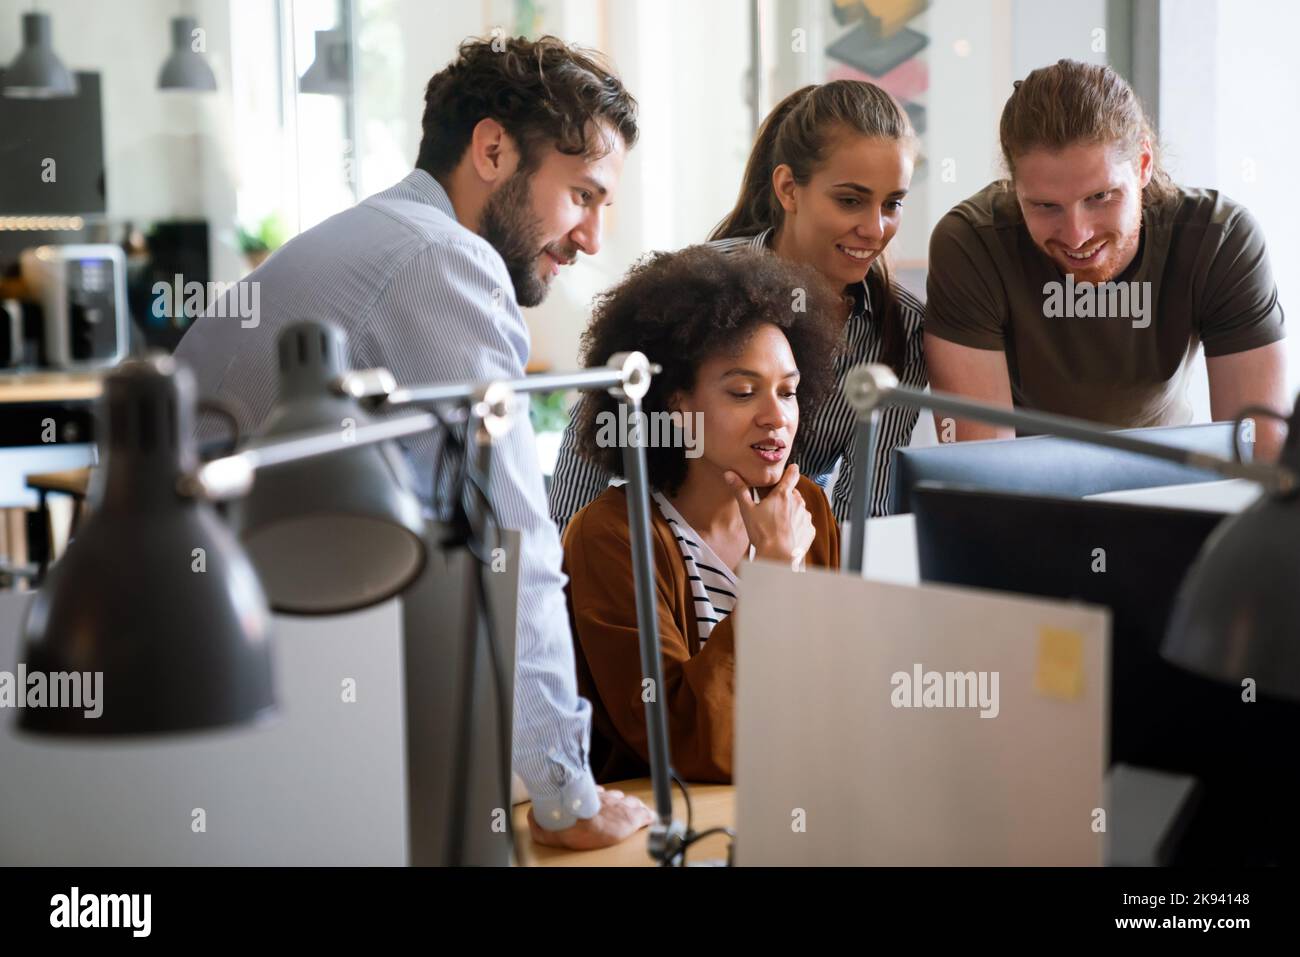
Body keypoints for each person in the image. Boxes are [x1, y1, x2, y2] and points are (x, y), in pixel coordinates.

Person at [174, 35, 654, 850]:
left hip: (199, 684)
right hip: (238, 703)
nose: (593, 237)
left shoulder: (367, 238)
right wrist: (567, 791)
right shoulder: (444, 261)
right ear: (494, 149)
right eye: (583, 194)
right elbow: (515, 546)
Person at [550, 79, 926, 529]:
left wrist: (812, 583)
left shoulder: (901, 331)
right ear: (788, 189)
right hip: (664, 551)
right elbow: (598, 437)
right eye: (850, 200)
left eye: (893, 203)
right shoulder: (693, 285)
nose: (875, 228)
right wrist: (561, 578)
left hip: (790, 554)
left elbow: (865, 509)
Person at [562, 245, 843, 783]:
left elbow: (835, 705)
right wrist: (774, 575)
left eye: (789, 392)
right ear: (677, 404)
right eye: (743, 392)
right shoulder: (610, 538)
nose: (776, 418)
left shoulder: (804, 508)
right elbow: (689, 742)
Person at [925, 59, 1288, 459]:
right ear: (1015, 189)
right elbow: (980, 464)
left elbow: (1260, 458)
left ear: (1144, 165)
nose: (1077, 235)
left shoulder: (1219, 240)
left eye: (1100, 197)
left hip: (1165, 486)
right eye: (1046, 205)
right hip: (1022, 495)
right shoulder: (972, 245)